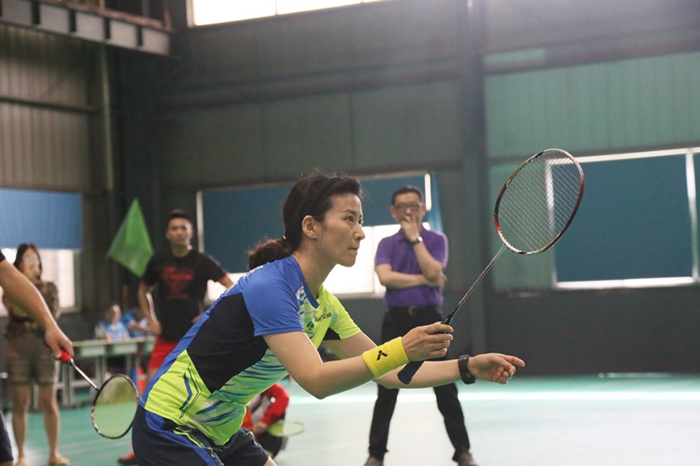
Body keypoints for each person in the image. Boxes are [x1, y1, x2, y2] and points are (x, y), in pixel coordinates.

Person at [131, 171, 524, 466]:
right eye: (349, 219)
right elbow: (315, 380)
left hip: (220, 429)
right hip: (171, 424)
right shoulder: (270, 287)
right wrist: (403, 347)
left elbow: (389, 372)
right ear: (311, 227)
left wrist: (467, 366)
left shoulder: (324, 305)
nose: (360, 232)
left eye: (360, 220)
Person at [364, 185, 475, 466]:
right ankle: (376, 454)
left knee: (446, 387)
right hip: (395, 321)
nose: (408, 211)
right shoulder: (386, 244)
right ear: (393, 211)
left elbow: (433, 269)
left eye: (413, 205)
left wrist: (415, 240)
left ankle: (462, 451)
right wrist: (426, 279)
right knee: (386, 388)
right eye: (402, 207)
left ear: (423, 208)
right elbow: (386, 277)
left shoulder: (436, 240)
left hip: (430, 319)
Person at [118, 210, 233, 465]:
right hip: (166, 340)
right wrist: (151, 319)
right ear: (168, 234)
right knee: (148, 396)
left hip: (195, 341)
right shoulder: (157, 261)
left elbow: (231, 287)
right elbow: (143, 290)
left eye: (183, 228)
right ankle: (139, 449)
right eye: (174, 228)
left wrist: (210, 313)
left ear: (191, 232)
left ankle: (204, 443)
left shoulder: (202, 261)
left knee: (199, 396)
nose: (179, 232)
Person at [1, 244, 73, 466]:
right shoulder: (10, 289)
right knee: (20, 403)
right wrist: (25, 285)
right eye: (27, 258)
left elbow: (50, 312)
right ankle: (22, 454)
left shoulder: (50, 287)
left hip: (44, 348)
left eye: (35, 257)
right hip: (19, 348)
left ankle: (53, 452)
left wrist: (49, 325)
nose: (33, 262)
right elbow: (16, 309)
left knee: (48, 401)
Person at [241, 382, 290, 459]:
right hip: (237, 437)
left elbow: (283, 397)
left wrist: (265, 421)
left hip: (259, 433)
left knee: (279, 410)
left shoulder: (258, 379)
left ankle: (269, 447)